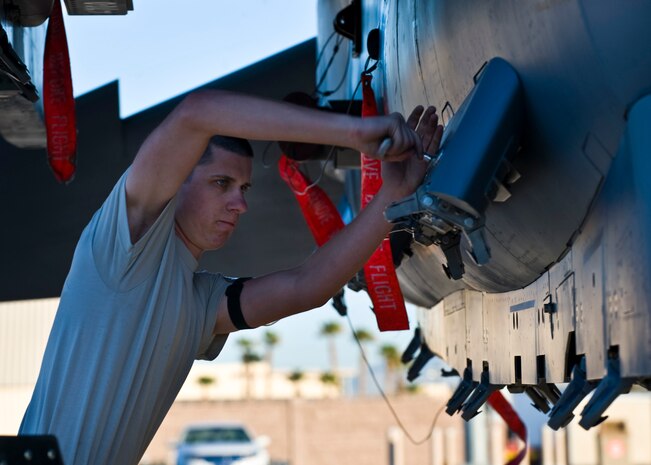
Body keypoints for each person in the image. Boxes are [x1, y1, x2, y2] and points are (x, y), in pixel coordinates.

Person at [19, 89, 443, 465]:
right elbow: (199, 111)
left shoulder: (200, 303)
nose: (238, 203)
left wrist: (392, 196)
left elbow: (306, 286)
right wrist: (353, 132)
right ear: (175, 181)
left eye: (243, 188)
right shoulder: (121, 245)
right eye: (221, 183)